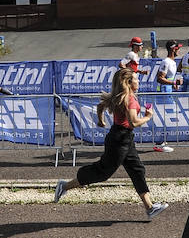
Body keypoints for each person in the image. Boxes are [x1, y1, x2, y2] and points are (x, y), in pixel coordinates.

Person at [53, 67, 168, 220]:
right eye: (136, 79)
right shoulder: (129, 99)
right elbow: (133, 122)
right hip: (119, 140)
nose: (138, 81)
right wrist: (148, 116)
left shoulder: (121, 96)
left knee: (137, 170)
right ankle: (64, 186)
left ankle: (150, 207)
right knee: (103, 172)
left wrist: (101, 120)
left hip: (124, 137)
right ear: (128, 82)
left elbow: (101, 106)